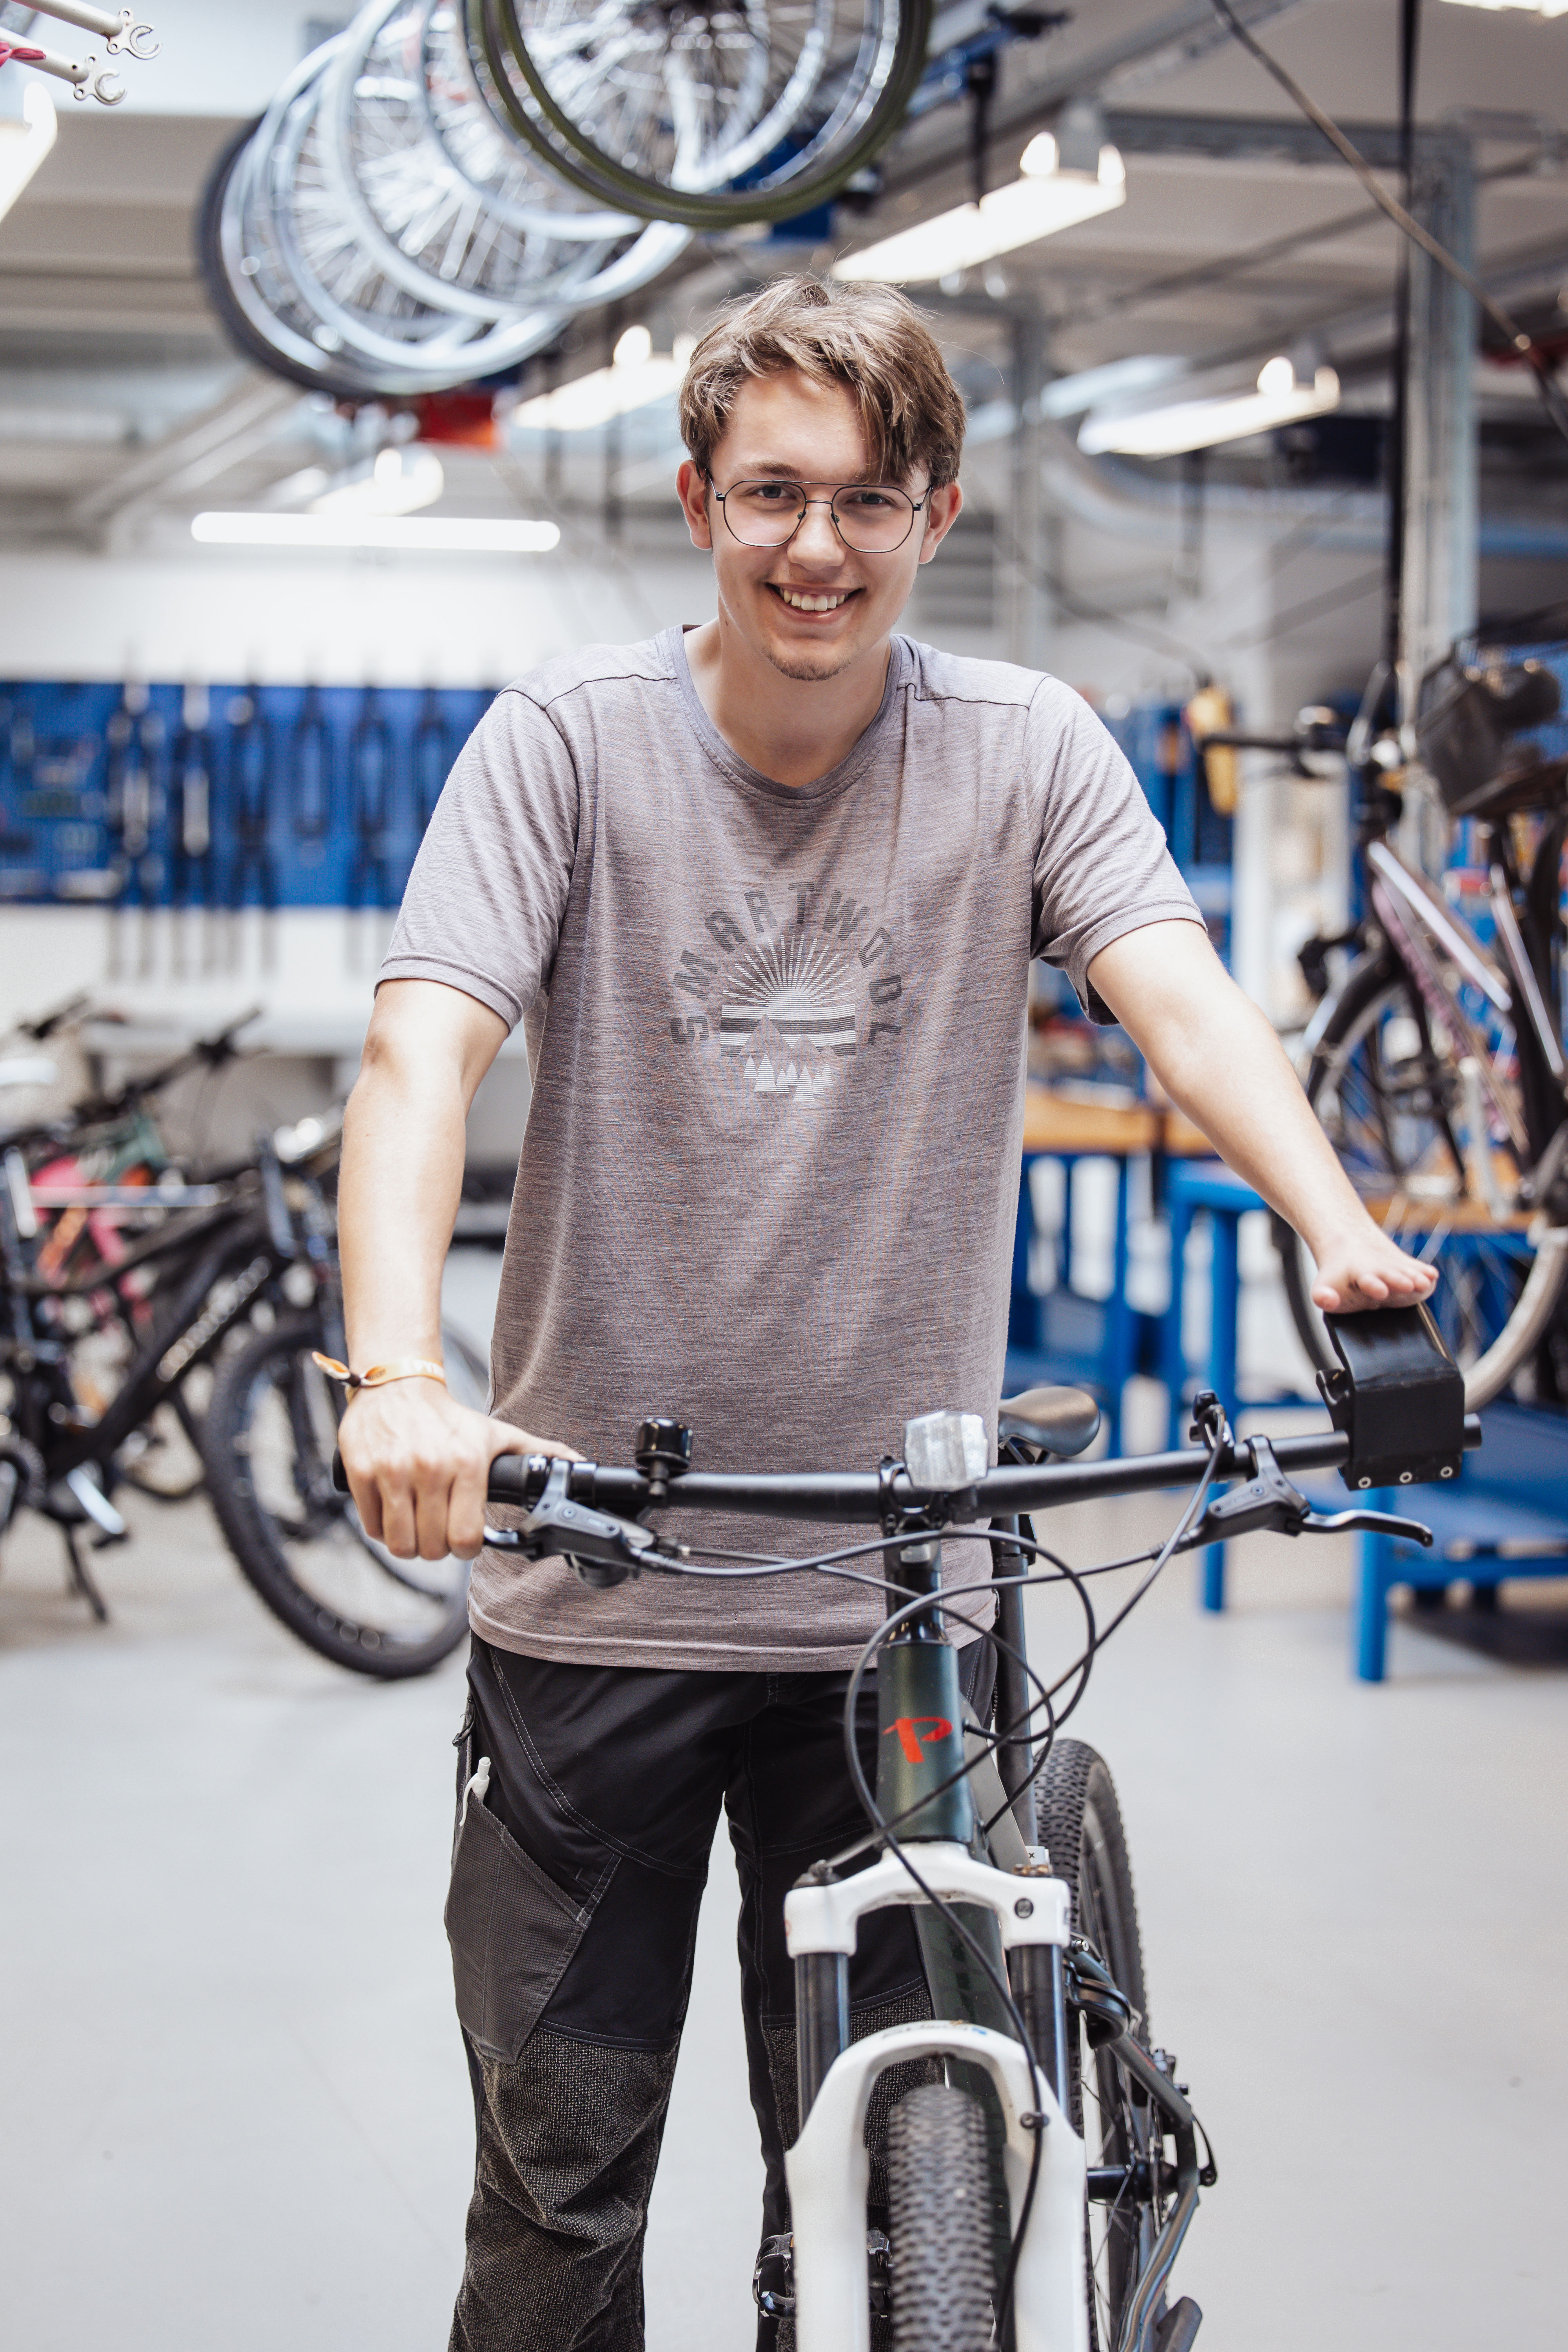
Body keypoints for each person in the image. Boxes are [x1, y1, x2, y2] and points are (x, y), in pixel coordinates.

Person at [336, 276, 1436, 2352]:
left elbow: (1179, 994)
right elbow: (420, 1057)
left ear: (934, 513)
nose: (816, 547)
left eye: (866, 499)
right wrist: (400, 1373)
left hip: (901, 1609)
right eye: (772, 493)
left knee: (891, 2190)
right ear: (699, 503)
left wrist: (1338, 1226)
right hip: (597, 1599)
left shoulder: (1023, 753)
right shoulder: (566, 748)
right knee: (559, 2209)